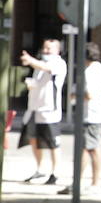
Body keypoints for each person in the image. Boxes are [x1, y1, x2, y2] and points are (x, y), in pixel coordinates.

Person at [61, 43, 101, 193]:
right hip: (96, 114)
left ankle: (82, 183)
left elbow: (88, 95)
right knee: (91, 148)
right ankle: (89, 182)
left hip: (90, 115)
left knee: (87, 149)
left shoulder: (90, 72)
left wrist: (75, 95)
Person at [18, 39, 67, 185]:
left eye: (49, 48)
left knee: (53, 144)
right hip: (34, 109)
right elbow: (39, 78)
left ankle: (55, 173)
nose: (45, 51)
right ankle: (40, 170)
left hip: (49, 112)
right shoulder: (38, 65)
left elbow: (47, 68)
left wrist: (30, 60)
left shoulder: (58, 63)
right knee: (34, 140)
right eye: (44, 48)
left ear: (57, 51)